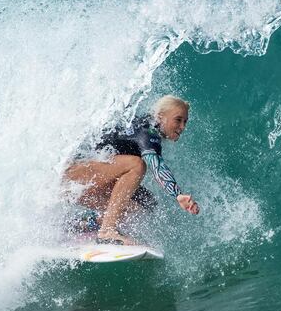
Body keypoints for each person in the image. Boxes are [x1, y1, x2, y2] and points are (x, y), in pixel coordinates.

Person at [63, 95, 199, 245]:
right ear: (160, 117)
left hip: (84, 182)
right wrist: (178, 195)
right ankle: (107, 231)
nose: (182, 127)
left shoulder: (143, 127)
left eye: (185, 122)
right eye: (178, 120)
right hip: (72, 178)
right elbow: (156, 165)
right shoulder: (148, 133)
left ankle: (82, 224)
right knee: (137, 165)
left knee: (146, 204)